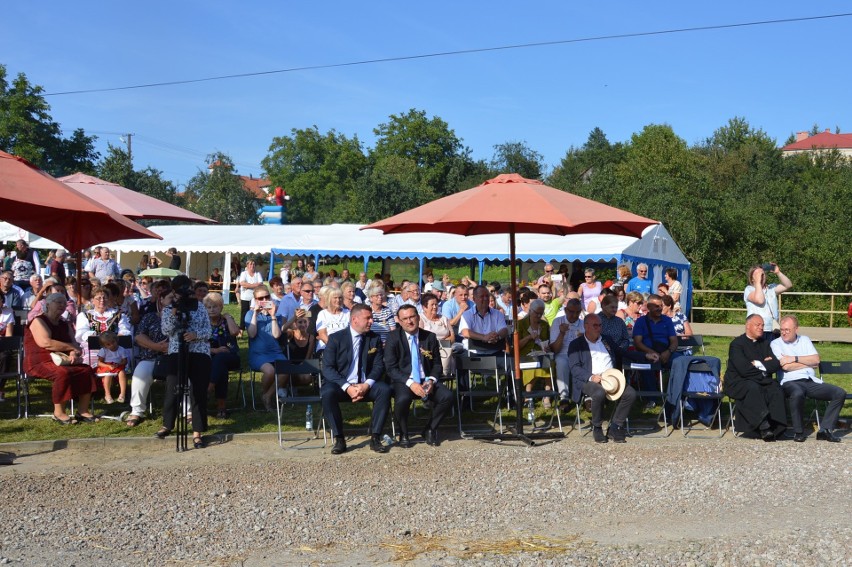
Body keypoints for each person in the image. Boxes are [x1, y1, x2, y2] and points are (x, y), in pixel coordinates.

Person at [568, 313, 658, 443]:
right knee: (599, 392)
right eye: (595, 325)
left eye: (600, 325)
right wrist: (591, 377)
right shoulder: (576, 344)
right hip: (588, 380)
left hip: (611, 379)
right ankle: (597, 427)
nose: (599, 328)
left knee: (630, 393)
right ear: (586, 326)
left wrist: (645, 356)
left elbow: (623, 352)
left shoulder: (606, 340)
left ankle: (615, 426)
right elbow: (575, 368)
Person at [320, 303, 391, 455]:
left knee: (384, 390)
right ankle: (339, 438)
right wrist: (348, 387)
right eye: (368, 318)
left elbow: (379, 366)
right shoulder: (336, 338)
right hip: (342, 385)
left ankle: (375, 437)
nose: (372, 321)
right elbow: (327, 368)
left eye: (371, 317)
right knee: (327, 392)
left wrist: (366, 385)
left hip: (365, 384)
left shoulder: (374, 339)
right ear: (355, 319)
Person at [23, 293, 98, 424]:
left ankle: (83, 411)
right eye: (58, 302)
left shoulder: (64, 323)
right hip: (39, 361)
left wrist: (73, 353)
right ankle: (59, 413)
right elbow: (45, 343)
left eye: (64, 303)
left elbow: (74, 344)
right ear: (47, 305)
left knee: (86, 370)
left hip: (63, 360)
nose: (62, 305)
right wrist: (71, 348)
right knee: (62, 373)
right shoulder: (38, 320)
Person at [156, 276, 212, 449]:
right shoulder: (168, 309)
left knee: (198, 391)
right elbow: (166, 330)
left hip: (199, 351)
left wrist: (195, 335)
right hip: (177, 350)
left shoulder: (200, 307)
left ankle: (197, 432)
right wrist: (174, 313)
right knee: (173, 388)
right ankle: (167, 424)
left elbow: (208, 330)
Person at [385, 304, 453, 447]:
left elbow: (437, 365)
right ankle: (403, 433)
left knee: (447, 396)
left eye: (412, 317)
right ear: (399, 321)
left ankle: (430, 429)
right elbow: (391, 368)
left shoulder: (429, 337)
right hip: (404, 380)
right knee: (402, 398)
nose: (409, 321)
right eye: (405, 319)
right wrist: (411, 383)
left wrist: (432, 380)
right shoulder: (393, 337)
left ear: (417, 317)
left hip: (426, 378)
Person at [770, 316, 845, 443]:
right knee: (797, 392)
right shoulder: (776, 343)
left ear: (796, 329)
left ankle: (825, 430)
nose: (784, 332)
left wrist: (794, 358)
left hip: (810, 380)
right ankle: (798, 432)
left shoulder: (804, 340)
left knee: (839, 393)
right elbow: (786, 367)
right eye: (782, 330)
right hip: (790, 382)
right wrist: (807, 362)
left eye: (787, 330)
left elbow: (816, 360)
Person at [722, 314, 787, 441]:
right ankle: (763, 427)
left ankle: (777, 427)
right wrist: (765, 366)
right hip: (737, 382)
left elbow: (775, 364)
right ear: (748, 326)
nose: (761, 328)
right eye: (758, 325)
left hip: (759, 379)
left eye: (762, 325)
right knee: (753, 388)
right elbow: (744, 369)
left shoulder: (765, 343)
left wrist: (758, 363)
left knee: (775, 388)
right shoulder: (737, 344)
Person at [125, 283, 171, 427]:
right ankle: (136, 411)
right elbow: (139, 337)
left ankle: (187, 411)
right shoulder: (150, 317)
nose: (173, 301)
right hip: (151, 357)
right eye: (170, 298)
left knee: (186, 377)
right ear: (161, 301)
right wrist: (157, 346)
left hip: (174, 358)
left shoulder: (183, 318)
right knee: (140, 374)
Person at [632, 294, 679, 406]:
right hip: (648, 352)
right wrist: (652, 353)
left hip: (666, 352)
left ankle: (676, 395)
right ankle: (652, 398)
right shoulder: (641, 321)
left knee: (680, 362)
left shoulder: (667, 321)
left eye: (661, 306)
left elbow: (674, 341)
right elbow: (638, 343)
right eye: (656, 306)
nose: (660, 308)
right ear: (648, 306)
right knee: (646, 363)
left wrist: (668, 352)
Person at [245, 285, 286, 411]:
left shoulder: (277, 315)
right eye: (260, 298)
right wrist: (255, 315)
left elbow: (277, 335)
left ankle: (267, 395)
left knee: (285, 370)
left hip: (275, 352)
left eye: (266, 297)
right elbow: (251, 334)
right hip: (258, 354)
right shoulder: (250, 314)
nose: (264, 300)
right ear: (255, 300)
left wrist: (273, 316)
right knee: (270, 371)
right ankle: (266, 396)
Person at [204, 292, 240, 418]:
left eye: (215, 306)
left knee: (220, 360)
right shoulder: (203, 322)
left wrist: (228, 317)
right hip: (210, 356)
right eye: (209, 307)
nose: (212, 309)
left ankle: (208, 389)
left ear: (221, 307)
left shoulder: (226, 320)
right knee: (221, 367)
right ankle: (221, 406)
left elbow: (235, 332)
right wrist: (214, 350)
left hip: (231, 355)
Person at [549, 298, 584, 406]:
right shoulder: (557, 321)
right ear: (565, 310)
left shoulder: (583, 323)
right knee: (561, 363)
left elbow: (588, 347)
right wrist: (562, 333)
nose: (574, 315)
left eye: (577, 312)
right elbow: (555, 349)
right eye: (571, 312)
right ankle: (564, 396)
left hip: (579, 354)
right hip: (562, 353)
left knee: (584, 362)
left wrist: (583, 340)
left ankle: (582, 395)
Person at [744, 264, 793, 340]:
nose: (761, 277)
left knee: (772, 351)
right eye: (758, 275)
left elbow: (788, 285)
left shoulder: (771, 288)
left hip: (772, 329)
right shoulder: (749, 289)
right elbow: (760, 300)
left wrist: (778, 272)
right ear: (752, 278)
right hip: (757, 329)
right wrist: (757, 282)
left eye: (763, 274)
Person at [459, 286, 508, 355]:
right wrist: (484, 337)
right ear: (474, 299)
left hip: (494, 352)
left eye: (487, 296)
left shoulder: (498, 314)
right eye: (481, 296)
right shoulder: (467, 315)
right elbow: (465, 332)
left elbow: (504, 330)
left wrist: (497, 336)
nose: (485, 299)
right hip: (472, 353)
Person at [419, 291, 454, 376]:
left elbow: (452, 336)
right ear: (424, 307)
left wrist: (441, 343)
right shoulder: (421, 318)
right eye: (432, 305)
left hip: (445, 348)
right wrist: (436, 344)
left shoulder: (444, 318)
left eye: (436, 304)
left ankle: (445, 374)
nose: (435, 307)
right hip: (428, 350)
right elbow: (421, 338)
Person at [95, 331, 129, 405]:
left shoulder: (121, 349)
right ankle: (107, 395)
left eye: (113, 342)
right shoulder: (104, 350)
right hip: (106, 366)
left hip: (118, 366)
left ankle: (122, 394)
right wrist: (108, 366)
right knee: (108, 374)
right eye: (108, 344)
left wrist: (119, 364)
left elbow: (125, 361)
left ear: (116, 340)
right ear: (104, 345)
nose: (112, 345)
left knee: (122, 372)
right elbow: (99, 362)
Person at [315, 287, 350, 355]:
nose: (338, 300)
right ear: (329, 299)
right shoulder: (323, 314)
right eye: (335, 298)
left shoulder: (348, 313)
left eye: (340, 298)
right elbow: (322, 334)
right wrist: (334, 348)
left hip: (345, 348)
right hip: (327, 347)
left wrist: (343, 348)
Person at [237, 259, 263, 331]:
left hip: (256, 297)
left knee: (256, 311)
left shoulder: (258, 274)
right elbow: (242, 283)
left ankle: (254, 326)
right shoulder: (244, 273)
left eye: (253, 264)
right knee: (244, 312)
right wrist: (255, 285)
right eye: (250, 264)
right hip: (245, 297)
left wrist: (248, 286)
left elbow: (260, 284)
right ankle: (242, 329)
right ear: (247, 265)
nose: (252, 265)